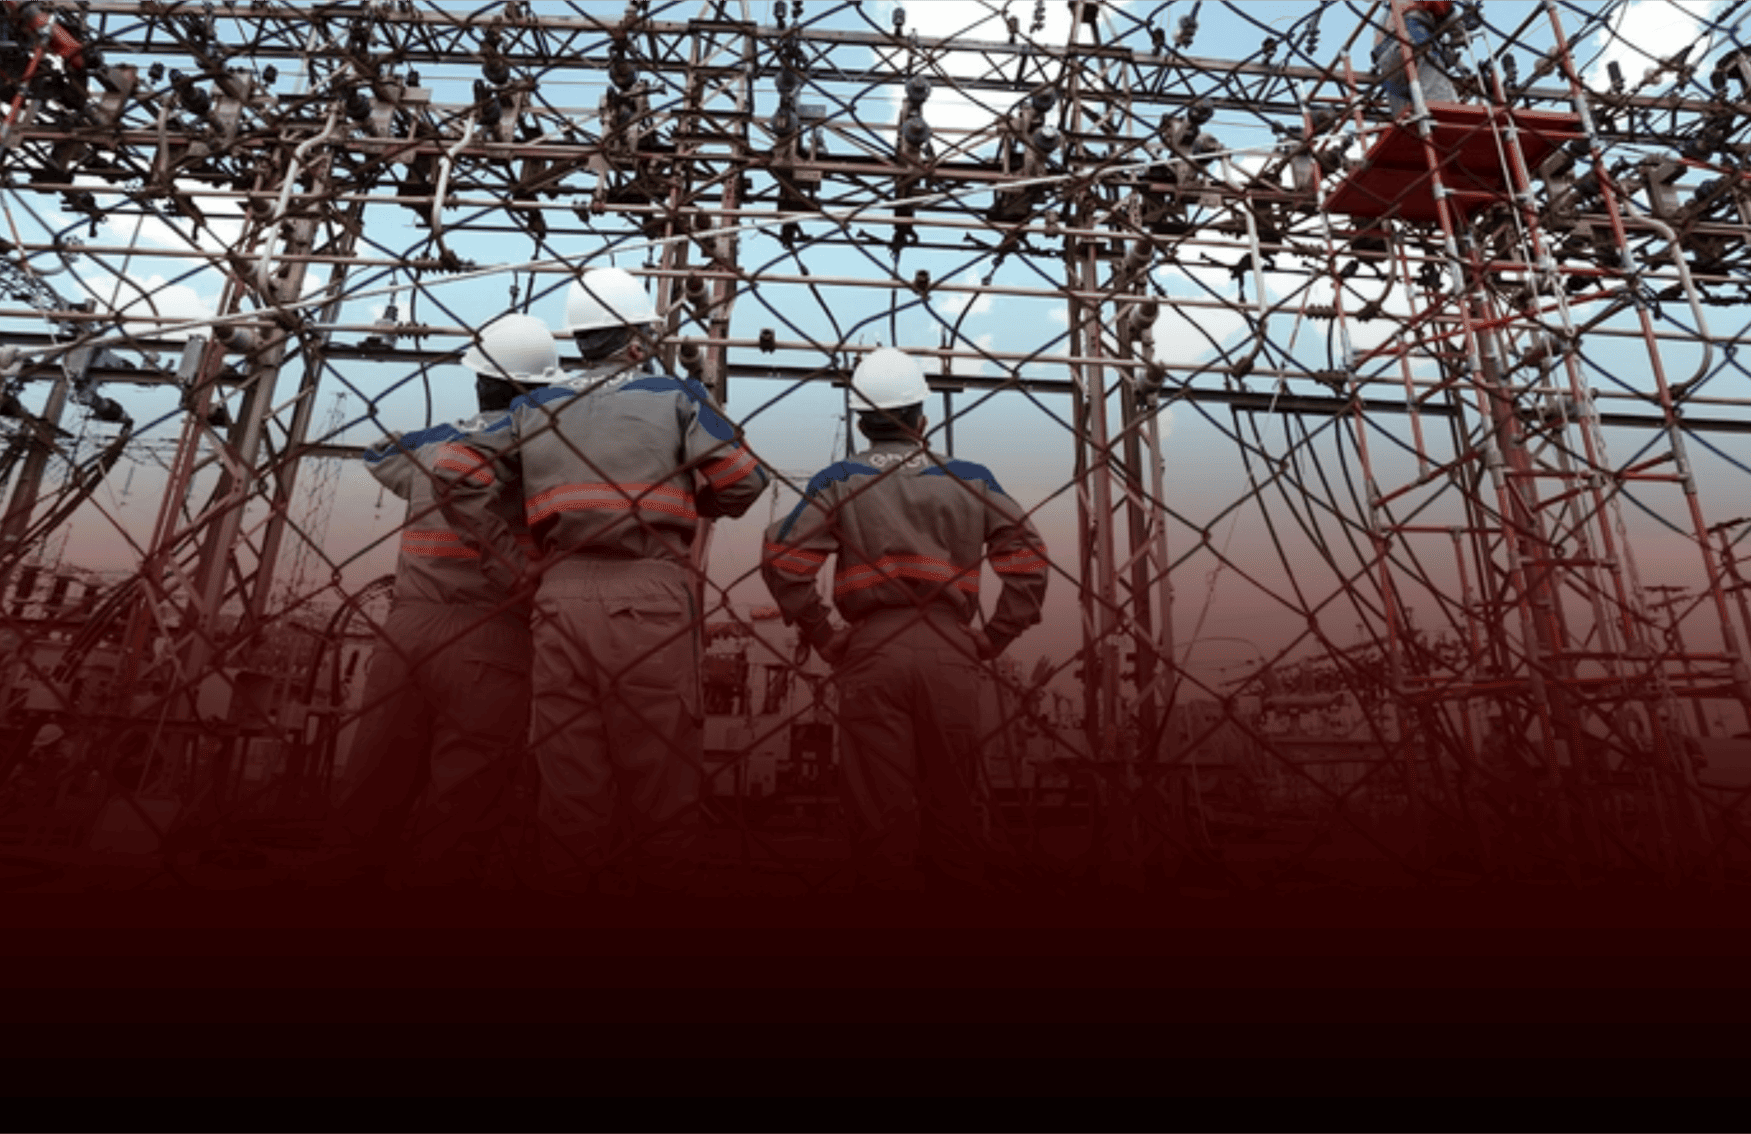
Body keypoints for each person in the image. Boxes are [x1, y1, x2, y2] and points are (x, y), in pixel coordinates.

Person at [436, 267, 769, 890]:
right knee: (661, 787)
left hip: (558, 594)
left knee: (570, 789)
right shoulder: (675, 397)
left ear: (579, 339)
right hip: (649, 593)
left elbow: (455, 471)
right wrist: (689, 503)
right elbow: (745, 480)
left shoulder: (534, 406)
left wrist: (512, 563)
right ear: (638, 337)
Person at [759, 346, 1049, 890]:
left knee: (878, 817)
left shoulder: (839, 479)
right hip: (950, 649)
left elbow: (785, 562)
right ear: (922, 421)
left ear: (860, 424)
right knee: (954, 806)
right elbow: (1029, 561)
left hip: (873, 649)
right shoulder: (971, 478)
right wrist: (994, 636)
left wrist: (822, 633)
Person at [323, 312, 556, 887]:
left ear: (478, 380)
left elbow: (379, 453)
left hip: (408, 629)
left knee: (371, 788)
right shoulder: (544, 453)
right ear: (539, 389)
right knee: (463, 806)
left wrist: (454, 430)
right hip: (494, 628)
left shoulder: (434, 449)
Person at [1373, 0, 1462, 117]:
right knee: (1444, 110)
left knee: (1406, 120)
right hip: (1412, 44)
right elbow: (1445, 10)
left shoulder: (1386, 14)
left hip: (1387, 65)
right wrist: (1460, 29)